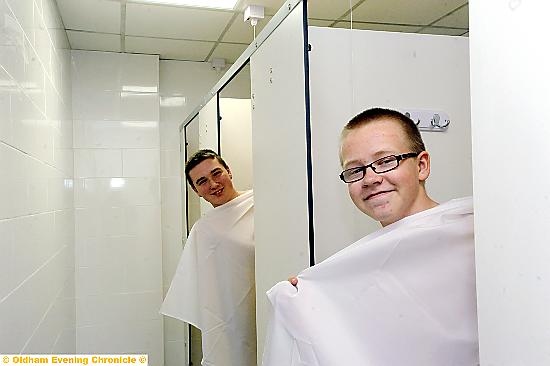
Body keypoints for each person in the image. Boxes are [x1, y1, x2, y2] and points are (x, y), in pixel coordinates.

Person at [265, 108, 478, 365]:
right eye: (355, 170)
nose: (370, 179)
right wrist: (312, 302)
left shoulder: (476, 240)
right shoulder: (367, 269)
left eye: (386, 161)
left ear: (422, 166)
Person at [160, 149, 256, 366]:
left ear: (229, 171)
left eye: (216, 173)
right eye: (202, 181)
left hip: (268, 303)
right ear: (196, 191)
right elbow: (201, 282)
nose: (213, 184)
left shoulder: (260, 204)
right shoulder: (203, 230)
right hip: (229, 316)